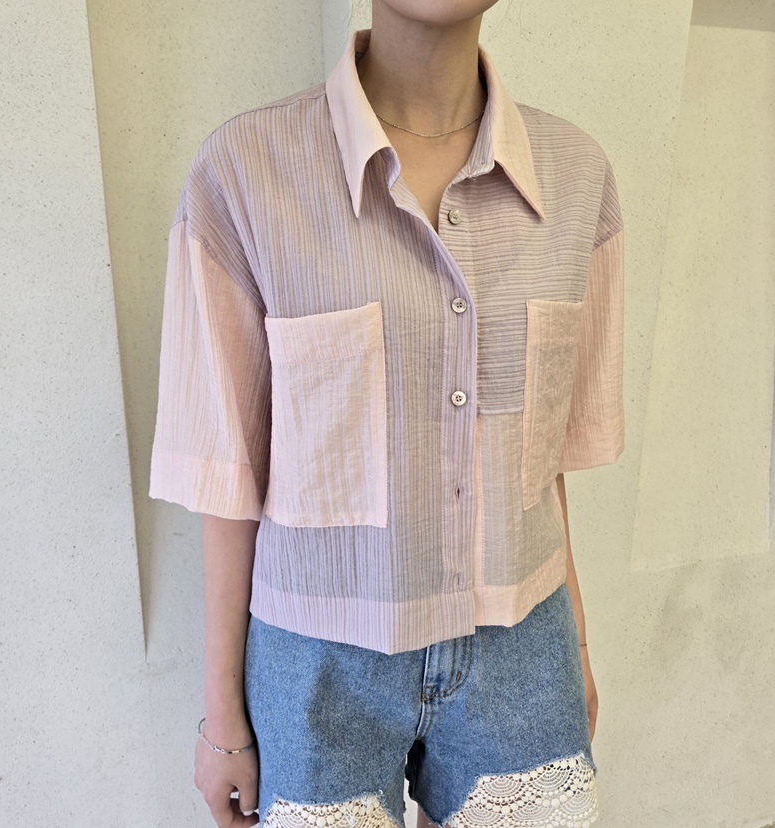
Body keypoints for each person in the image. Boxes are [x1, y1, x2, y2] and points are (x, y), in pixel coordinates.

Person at [149, 1, 625, 827]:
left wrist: (574, 644)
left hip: (525, 643)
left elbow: (540, 464)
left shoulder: (578, 178)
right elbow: (228, 476)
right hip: (316, 657)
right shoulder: (246, 172)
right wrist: (222, 718)